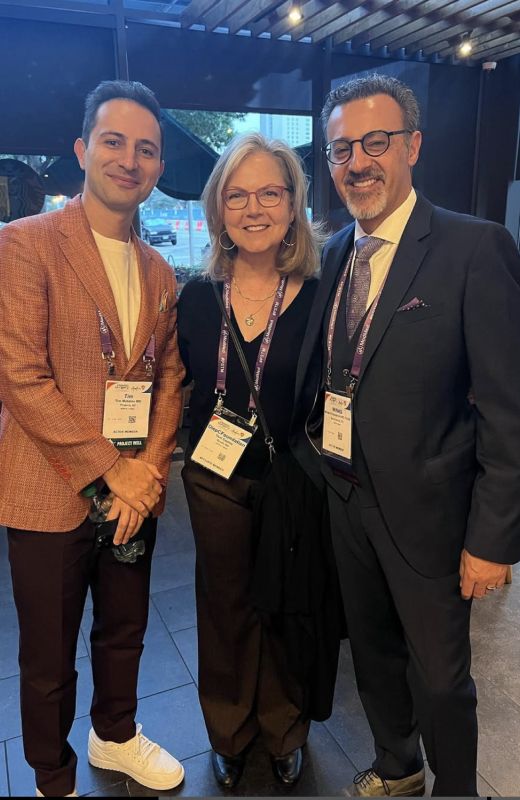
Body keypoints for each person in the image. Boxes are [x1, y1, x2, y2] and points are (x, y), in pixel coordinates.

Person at [291, 74, 520, 797]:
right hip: (345, 496)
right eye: (341, 149)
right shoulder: (335, 252)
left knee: (442, 678)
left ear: (413, 146)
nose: (357, 162)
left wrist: (492, 539)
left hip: (431, 513)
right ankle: (399, 767)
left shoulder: (474, 248)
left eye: (375, 142)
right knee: (374, 653)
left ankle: (456, 789)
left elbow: (509, 411)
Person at [0, 80, 186, 797]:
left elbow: (169, 378)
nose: (129, 160)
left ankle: (116, 735)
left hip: (133, 494)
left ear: (158, 166)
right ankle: (53, 778)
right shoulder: (25, 244)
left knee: (124, 629)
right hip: (47, 489)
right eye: (114, 141)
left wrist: (149, 473)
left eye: (146, 149)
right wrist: (113, 468)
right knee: (48, 658)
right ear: (82, 150)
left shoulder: (160, 270)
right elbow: (21, 377)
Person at [177, 132, 321, 790]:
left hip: (293, 476)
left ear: (293, 204)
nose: (254, 208)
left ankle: (285, 727)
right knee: (225, 606)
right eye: (237, 195)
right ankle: (230, 732)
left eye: (269, 193)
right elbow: (175, 382)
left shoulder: (320, 294)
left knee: (287, 604)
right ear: (217, 207)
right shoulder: (196, 297)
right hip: (215, 478)